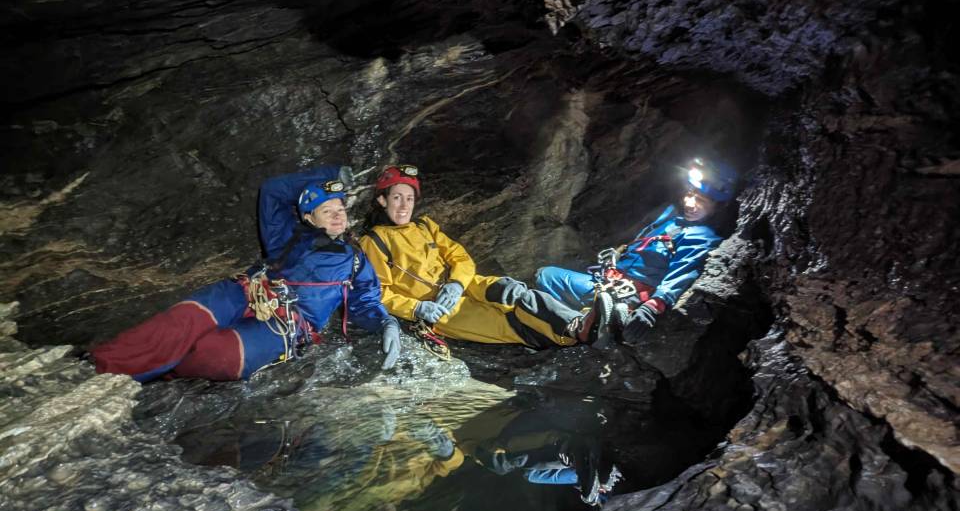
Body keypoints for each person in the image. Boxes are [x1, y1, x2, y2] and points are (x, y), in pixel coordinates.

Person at [91, 166, 401, 381]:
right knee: (182, 321)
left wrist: (386, 322)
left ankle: (158, 373)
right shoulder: (285, 235)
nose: (338, 216)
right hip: (245, 291)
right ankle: (98, 367)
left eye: (341, 209)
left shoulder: (356, 259)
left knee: (220, 355)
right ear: (309, 217)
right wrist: (329, 174)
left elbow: (364, 304)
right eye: (328, 211)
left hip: (288, 324)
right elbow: (272, 190)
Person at [359, 164, 612, 350]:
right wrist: (417, 308)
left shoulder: (425, 226)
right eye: (396, 198)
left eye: (409, 198)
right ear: (382, 200)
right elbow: (378, 292)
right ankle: (576, 333)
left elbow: (460, 256)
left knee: (514, 292)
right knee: (506, 322)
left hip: (462, 286)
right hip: (438, 310)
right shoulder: (374, 242)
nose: (404, 206)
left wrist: (457, 283)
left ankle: (580, 324)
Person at [536, 157, 737, 344]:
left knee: (547, 278)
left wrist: (652, 307)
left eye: (701, 200)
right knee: (548, 276)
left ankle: (594, 322)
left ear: (717, 207)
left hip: (627, 294)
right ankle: (593, 318)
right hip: (608, 279)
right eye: (690, 194)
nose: (689, 203)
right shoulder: (671, 216)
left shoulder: (701, 237)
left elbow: (682, 274)